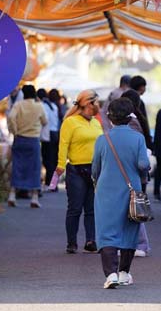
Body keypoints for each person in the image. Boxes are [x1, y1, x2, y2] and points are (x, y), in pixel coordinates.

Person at [92, 98, 150, 289]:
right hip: (131, 190)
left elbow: (95, 169)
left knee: (107, 231)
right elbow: (143, 164)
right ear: (130, 117)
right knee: (129, 230)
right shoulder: (138, 138)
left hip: (106, 191)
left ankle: (111, 274)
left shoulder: (103, 139)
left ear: (110, 118)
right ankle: (124, 273)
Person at [57, 89, 103, 254]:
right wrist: (60, 165)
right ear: (87, 103)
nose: (98, 105)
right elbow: (63, 144)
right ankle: (72, 242)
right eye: (96, 102)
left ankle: (91, 240)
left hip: (95, 170)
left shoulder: (96, 122)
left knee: (91, 209)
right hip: (76, 169)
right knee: (75, 208)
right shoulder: (70, 122)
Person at [120, 89, 153, 257]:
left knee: (133, 209)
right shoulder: (138, 119)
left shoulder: (131, 122)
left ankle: (140, 244)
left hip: (132, 173)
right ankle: (137, 244)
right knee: (134, 208)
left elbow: (135, 151)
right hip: (135, 173)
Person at [7, 85, 48, 208]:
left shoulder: (18, 105)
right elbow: (45, 122)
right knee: (35, 168)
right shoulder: (39, 106)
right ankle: (34, 197)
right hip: (33, 140)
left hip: (19, 138)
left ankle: (12, 195)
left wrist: (14, 131)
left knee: (17, 166)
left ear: (23, 93)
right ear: (34, 94)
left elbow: (10, 117)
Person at [38, 88, 61, 192]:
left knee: (48, 160)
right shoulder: (55, 107)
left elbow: (44, 121)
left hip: (48, 135)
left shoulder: (44, 106)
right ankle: (53, 184)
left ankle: (49, 184)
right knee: (54, 160)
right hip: (56, 134)